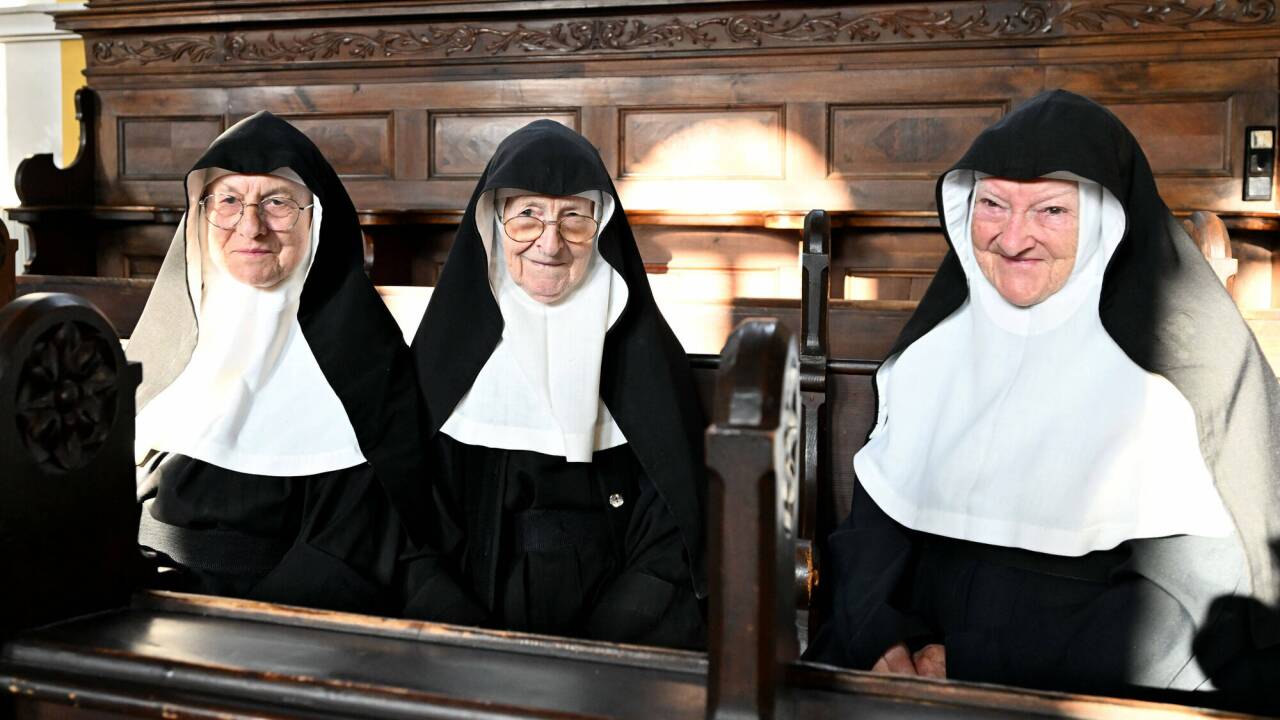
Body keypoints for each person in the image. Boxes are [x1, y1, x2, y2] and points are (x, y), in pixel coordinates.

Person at [805, 90, 1280, 706]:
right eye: (993, 205)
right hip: (899, 669)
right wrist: (883, 642)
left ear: (1106, 222)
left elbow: (1185, 610)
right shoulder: (931, 356)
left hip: (1078, 684)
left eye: (1051, 212)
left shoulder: (1184, 384)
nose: (1013, 238)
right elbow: (871, 536)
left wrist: (971, 661)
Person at [129, 112, 473, 617]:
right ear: (200, 218)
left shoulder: (370, 360)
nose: (251, 226)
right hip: (146, 610)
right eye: (228, 201)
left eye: (276, 203)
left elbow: (370, 538)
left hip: (292, 627)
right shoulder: (163, 347)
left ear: (316, 218)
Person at [404, 120, 706, 648]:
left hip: (613, 646)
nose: (550, 242)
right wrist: (465, 639)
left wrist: (598, 652)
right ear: (494, 225)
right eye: (527, 216)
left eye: (574, 218)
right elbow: (410, 524)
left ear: (602, 228)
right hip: (463, 642)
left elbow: (673, 535)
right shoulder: (442, 358)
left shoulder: (646, 357)